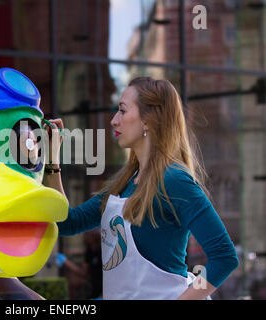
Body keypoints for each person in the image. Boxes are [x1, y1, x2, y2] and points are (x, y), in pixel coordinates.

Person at [42, 76, 239, 300]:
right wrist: (52, 160)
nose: (114, 120)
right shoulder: (123, 183)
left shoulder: (175, 181)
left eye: (123, 111)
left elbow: (224, 257)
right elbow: (67, 223)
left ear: (148, 120)